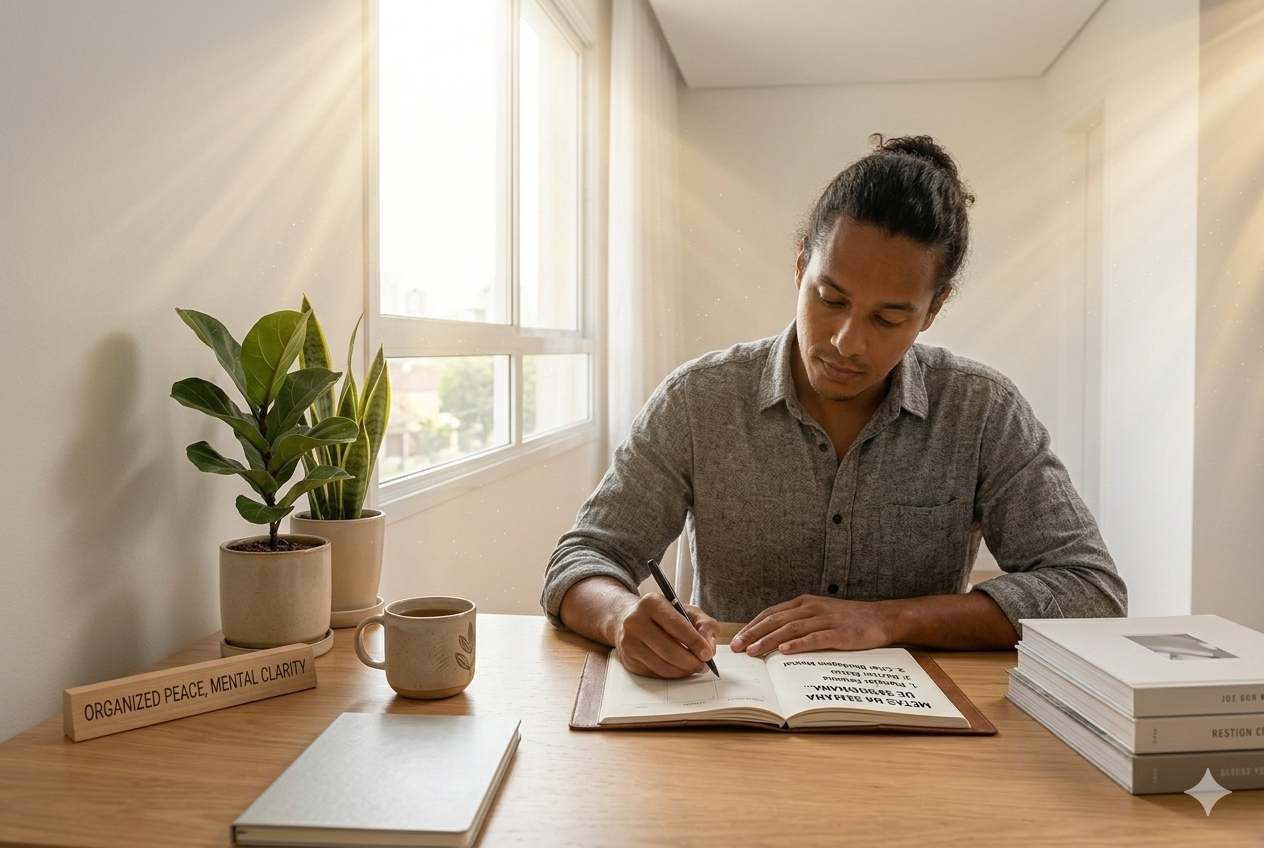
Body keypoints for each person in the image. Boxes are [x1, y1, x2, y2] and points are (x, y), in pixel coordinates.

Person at [541, 135, 1127, 679]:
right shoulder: (700, 401)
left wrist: (888, 620)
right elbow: (583, 556)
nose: (847, 341)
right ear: (801, 268)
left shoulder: (982, 412)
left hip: (911, 736)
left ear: (933, 309)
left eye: (888, 318)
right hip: (737, 721)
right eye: (831, 298)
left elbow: (1092, 592)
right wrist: (621, 616)